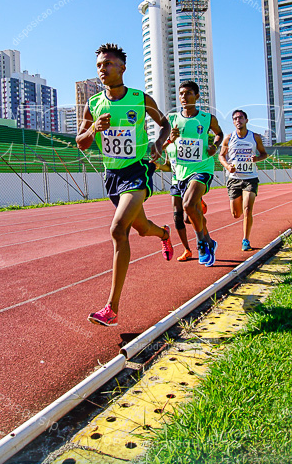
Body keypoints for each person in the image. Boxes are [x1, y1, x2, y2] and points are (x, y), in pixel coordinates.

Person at [77, 44, 174, 327]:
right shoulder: (93, 104)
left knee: (118, 230)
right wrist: (94, 128)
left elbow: (165, 124)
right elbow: (81, 143)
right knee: (142, 229)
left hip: (138, 169)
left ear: (122, 68)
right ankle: (164, 233)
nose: (102, 69)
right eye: (98, 65)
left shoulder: (140, 99)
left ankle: (111, 308)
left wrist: (158, 143)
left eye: (107, 64)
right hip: (112, 176)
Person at [155, 81, 222, 265]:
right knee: (187, 213)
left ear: (197, 96)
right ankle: (209, 241)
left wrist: (214, 146)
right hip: (181, 173)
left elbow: (219, 134)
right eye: (181, 94)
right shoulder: (172, 119)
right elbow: (165, 145)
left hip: (202, 168)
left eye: (188, 93)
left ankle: (201, 243)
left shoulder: (207, 118)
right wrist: (171, 139)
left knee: (189, 205)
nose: (184, 97)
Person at [219, 109, 268, 251]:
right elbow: (221, 156)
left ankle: (245, 240)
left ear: (246, 120)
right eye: (235, 119)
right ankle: (239, 212)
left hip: (250, 178)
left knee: (247, 209)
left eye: (240, 118)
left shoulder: (255, 137)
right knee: (236, 214)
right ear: (233, 122)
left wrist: (257, 158)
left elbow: (264, 153)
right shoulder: (228, 138)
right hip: (234, 179)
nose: (238, 120)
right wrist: (228, 166)